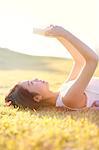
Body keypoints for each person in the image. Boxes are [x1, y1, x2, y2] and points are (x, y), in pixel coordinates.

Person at [5, 25, 99, 111]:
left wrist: (58, 36)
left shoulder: (63, 91)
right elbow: (92, 60)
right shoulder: (68, 98)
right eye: (32, 83)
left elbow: (79, 62)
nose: (36, 78)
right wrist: (64, 33)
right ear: (37, 97)